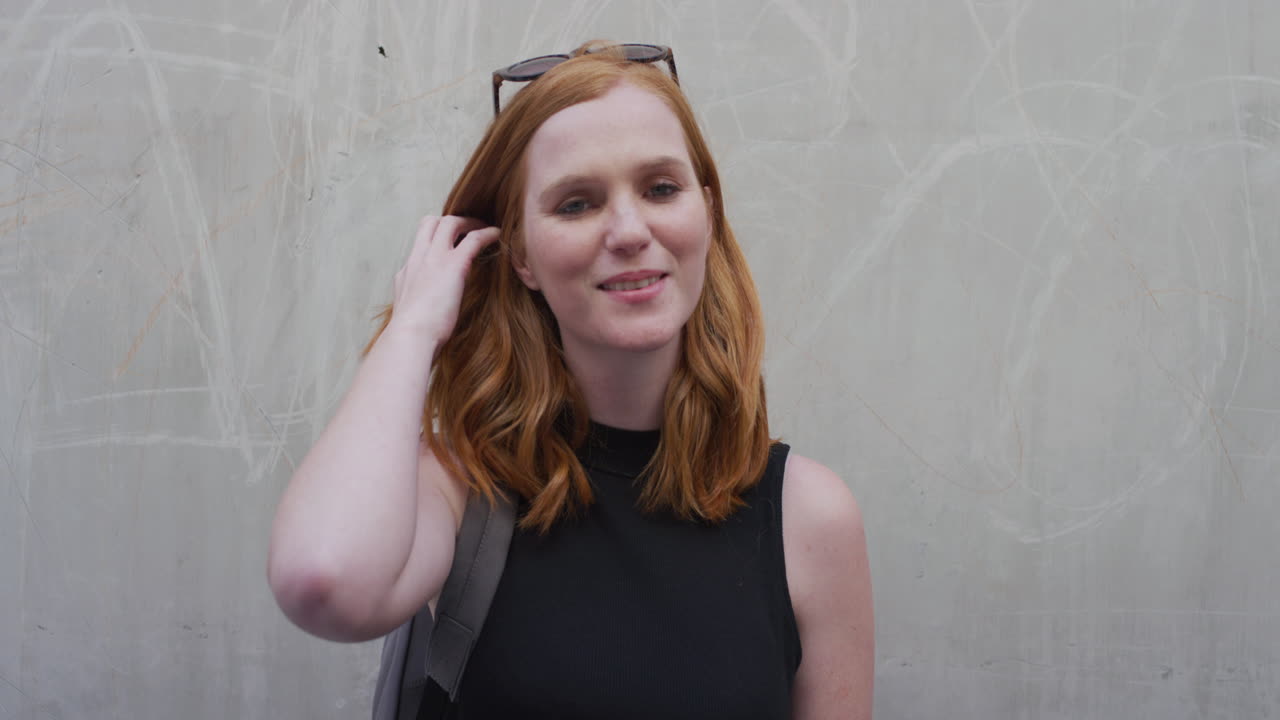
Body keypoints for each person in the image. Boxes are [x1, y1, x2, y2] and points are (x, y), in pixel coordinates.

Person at [268, 42, 874, 718]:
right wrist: (414, 327)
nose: (628, 229)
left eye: (661, 188)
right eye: (577, 203)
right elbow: (322, 580)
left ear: (707, 210)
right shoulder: (459, 488)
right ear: (521, 254)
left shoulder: (808, 517)